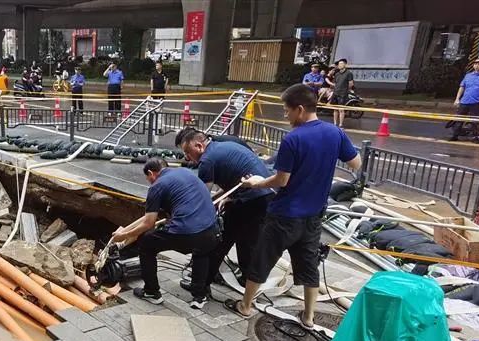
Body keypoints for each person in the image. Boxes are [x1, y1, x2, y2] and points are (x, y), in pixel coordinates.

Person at [230, 84, 362, 328]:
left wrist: (256, 184)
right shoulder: (335, 133)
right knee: (309, 266)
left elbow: (281, 181)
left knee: (262, 260)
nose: (285, 115)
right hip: (313, 215)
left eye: (286, 111)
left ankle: (246, 306)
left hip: (284, 215)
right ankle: (309, 317)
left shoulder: (293, 139)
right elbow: (355, 162)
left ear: (300, 109)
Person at [177, 129, 274, 302]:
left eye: (187, 152)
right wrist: (227, 196)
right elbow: (237, 176)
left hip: (252, 199)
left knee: (218, 240)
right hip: (264, 195)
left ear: (199, 146)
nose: (187, 158)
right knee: (248, 242)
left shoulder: (207, 161)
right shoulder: (224, 145)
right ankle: (247, 282)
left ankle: (202, 286)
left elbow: (201, 198)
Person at [109, 157, 221, 307]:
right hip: (212, 229)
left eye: (148, 178)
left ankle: (151, 292)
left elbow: (148, 223)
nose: (149, 181)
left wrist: (124, 235)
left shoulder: (157, 186)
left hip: (186, 233)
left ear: (151, 173)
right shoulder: (185, 172)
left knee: (147, 243)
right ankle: (199, 296)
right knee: (202, 251)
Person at [450, 57, 479, 141]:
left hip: (477, 101)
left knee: (475, 120)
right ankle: (455, 135)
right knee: (459, 119)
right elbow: (462, 87)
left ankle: (475, 137)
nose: (477, 65)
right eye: (476, 63)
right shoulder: (468, 75)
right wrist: (457, 99)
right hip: (465, 100)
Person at [325, 59, 353, 128]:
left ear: (345, 65)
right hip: (336, 92)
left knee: (341, 109)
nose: (339, 65)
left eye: (341, 64)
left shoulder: (349, 73)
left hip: (343, 93)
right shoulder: (337, 74)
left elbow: (350, 84)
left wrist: (346, 90)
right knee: (335, 109)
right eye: (339, 64)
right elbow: (335, 83)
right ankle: (335, 123)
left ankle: (340, 124)